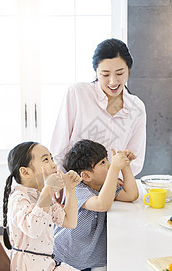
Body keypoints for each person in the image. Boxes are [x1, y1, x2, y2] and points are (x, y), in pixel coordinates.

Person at [2, 141, 107, 271]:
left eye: (51, 158)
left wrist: (70, 188)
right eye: (46, 160)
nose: (53, 164)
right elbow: (33, 229)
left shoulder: (40, 194)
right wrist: (48, 190)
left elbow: (70, 222)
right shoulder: (18, 199)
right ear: (25, 172)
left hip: (48, 268)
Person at [50, 38, 146, 177]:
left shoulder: (136, 107)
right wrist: (61, 183)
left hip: (114, 187)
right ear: (96, 71)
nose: (113, 81)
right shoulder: (78, 93)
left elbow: (135, 160)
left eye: (120, 73)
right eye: (105, 74)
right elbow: (59, 147)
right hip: (75, 185)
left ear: (128, 70)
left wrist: (114, 182)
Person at [53, 139, 138, 271]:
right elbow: (101, 204)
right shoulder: (77, 190)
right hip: (66, 257)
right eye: (103, 163)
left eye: (107, 160)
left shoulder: (104, 187)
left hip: (91, 256)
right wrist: (115, 169)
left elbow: (131, 194)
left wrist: (125, 166)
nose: (109, 165)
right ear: (85, 176)